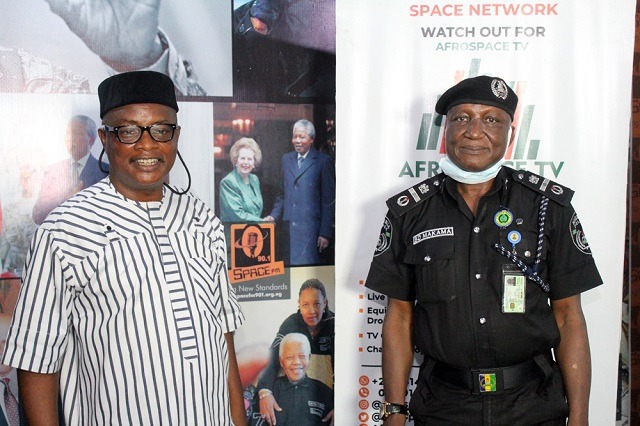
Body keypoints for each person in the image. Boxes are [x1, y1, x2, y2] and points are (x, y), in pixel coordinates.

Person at [2, 71, 246, 425]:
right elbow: (36, 362)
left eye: (161, 129)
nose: (147, 145)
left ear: (176, 136)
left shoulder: (202, 220)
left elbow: (223, 340)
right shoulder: (65, 230)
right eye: (129, 131)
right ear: (105, 138)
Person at [365, 76, 603, 425]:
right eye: (462, 118)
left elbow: (568, 316)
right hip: (444, 407)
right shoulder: (410, 212)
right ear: (445, 131)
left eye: (491, 120)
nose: (474, 132)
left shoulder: (548, 208)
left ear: (511, 134)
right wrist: (395, 411)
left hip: (533, 405)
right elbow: (399, 318)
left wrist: (579, 417)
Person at [257, 278, 334, 425]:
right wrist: (264, 392)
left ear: (325, 303)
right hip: (290, 386)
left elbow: (343, 365)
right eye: (305, 305)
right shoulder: (291, 323)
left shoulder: (335, 323)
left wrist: (338, 404)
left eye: (317, 304)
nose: (311, 311)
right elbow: (273, 356)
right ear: (299, 304)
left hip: (322, 389)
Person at [267, 120, 335, 266]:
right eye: (295, 136)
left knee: (308, 272)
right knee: (290, 271)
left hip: (311, 232)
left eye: (302, 137)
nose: (297, 141)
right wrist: (273, 215)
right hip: (289, 231)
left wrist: (325, 233)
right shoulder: (286, 159)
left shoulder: (323, 161)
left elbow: (328, 201)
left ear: (311, 139)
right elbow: (282, 194)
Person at [31, 115, 108, 224]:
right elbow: (37, 216)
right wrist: (65, 200)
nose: (70, 138)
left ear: (91, 140)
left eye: (77, 133)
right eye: (67, 133)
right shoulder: (53, 171)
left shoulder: (105, 172)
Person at [250, 333, 333, 426]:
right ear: (281, 362)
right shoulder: (268, 394)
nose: (296, 362)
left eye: (302, 356)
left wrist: (339, 413)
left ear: (309, 358)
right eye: (289, 357)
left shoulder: (324, 392)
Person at [219, 138, 268, 223]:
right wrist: (263, 221)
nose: (246, 162)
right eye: (242, 158)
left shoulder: (254, 179)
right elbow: (237, 215)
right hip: (234, 230)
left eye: (249, 159)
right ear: (236, 161)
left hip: (253, 229)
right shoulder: (228, 182)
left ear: (254, 163)